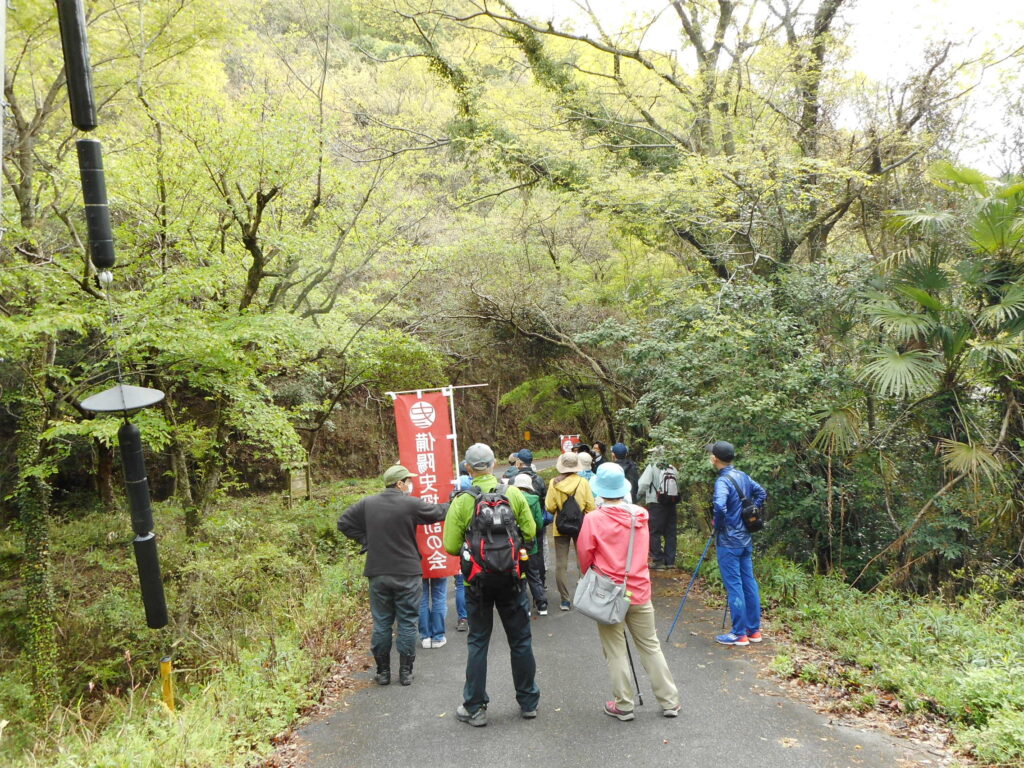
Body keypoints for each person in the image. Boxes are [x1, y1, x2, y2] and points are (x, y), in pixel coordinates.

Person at [443, 443, 540, 726]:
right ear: (495, 463)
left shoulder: (463, 500)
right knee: (520, 640)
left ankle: (475, 707)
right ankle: (528, 702)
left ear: (469, 468)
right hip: (512, 578)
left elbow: (450, 545)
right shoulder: (512, 493)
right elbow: (531, 530)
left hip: (477, 582)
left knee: (478, 641)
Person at [577, 462, 680, 720]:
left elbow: (584, 555)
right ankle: (669, 701)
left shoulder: (593, 519)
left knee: (615, 650)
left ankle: (624, 705)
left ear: (598, 489)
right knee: (650, 646)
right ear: (623, 488)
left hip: (608, 594)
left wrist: (592, 573)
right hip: (639, 588)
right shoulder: (640, 516)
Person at [337, 464, 445, 686]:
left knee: (382, 623)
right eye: (408, 480)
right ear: (399, 483)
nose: (410, 484)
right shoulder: (410, 504)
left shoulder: (368, 503)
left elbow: (344, 523)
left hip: (378, 572)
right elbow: (438, 512)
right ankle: (405, 673)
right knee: (407, 622)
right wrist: (457, 500)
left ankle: (383, 672)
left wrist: (365, 540)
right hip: (407, 573)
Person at [707, 441, 767, 647]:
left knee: (735, 586)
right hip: (745, 539)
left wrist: (719, 525)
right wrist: (748, 513)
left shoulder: (722, 482)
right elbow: (761, 493)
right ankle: (754, 631)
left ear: (715, 459)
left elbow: (719, 506)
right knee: (749, 583)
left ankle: (739, 634)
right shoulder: (743, 476)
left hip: (729, 542)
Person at [545, 450, 597, 611]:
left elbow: (549, 507)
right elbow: (591, 507)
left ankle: (565, 600)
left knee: (561, 564)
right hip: (580, 526)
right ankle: (584, 597)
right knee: (583, 561)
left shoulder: (554, 483)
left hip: (560, 527)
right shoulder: (583, 482)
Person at [637, 450, 680, 570]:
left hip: (656, 503)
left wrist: (638, 496)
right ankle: (670, 561)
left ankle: (658, 560)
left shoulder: (652, 466)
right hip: (671, 503)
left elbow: (644, 483)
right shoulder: (672, 467)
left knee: (654, 532)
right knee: (670, 532)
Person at [513, 473, 548, 615]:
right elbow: (539, 524)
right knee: (534, 575)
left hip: (516, 545)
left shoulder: (510, 500)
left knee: (520, 576)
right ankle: (542, 605)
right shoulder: (534, 500)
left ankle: (525, 607)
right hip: (531, 544)